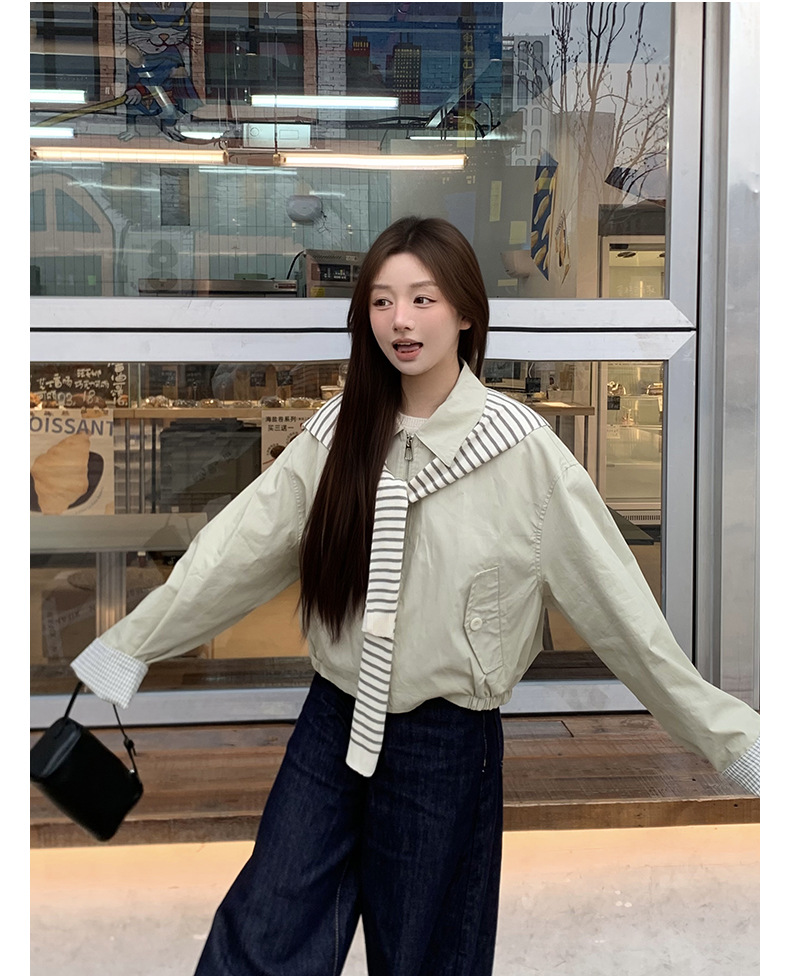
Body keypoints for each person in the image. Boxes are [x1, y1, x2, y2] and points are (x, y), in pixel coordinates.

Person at [71, 216, 760, 976]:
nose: (401, 320)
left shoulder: (524, 453)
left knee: (424, 958)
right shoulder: (338, 433)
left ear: (465, 312)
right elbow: (236, 551)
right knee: (258, 940)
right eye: (382, 301)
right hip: (332, 723)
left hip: (447, 745)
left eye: (423, 299)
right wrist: (129, 645)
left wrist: (734, 741)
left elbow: (624, 616)